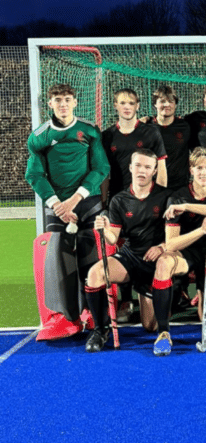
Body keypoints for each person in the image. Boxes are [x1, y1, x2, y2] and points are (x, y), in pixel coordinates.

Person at [25, 84, 110, 340]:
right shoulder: (39, 136)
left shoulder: (89, 131)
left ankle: (95, 314)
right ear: (50, 104)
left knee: (91, 254)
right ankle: (65, 317)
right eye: (58, 100)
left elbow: (101, 168)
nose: (63, 104)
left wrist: (74, 200)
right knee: (58, 258)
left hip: (86, 201)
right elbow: (35, 174)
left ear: (75, 103)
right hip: (57, 205)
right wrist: (57, 205)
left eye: (68, 100)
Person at [84, 149, 173, 354]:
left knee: (150, 326)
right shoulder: (119, 200)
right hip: (130, 256)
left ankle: (157, 304)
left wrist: (161, 247)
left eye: (148, 167)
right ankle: (100, 330)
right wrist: (104, 228)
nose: (142, 171)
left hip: (156, 262)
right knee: (95, 274)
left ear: (154, 170)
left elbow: (175, 235)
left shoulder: (166, 196)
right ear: (131, 167)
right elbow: (113, 238)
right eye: (138, 166)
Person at [101, 88, 168, 322]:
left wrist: (160, 199)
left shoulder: (150, 132)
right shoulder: (107, 136)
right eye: (122, 102)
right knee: (121, 249)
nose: (127, 106)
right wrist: (103, 202)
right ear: (116, 106)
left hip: (148, 202)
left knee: (148, 247)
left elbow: (160, 168)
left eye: (131, 102)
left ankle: (156, 291)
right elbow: (105, 173)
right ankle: (126, 300)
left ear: (138, 106)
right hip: (120, 203)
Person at [163, 147, 206, 324]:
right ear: (191, 170)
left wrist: (187, 207)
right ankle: (177, 289)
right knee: (166, 262)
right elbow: (171, 245)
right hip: (186, 254)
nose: (204, 172)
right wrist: (201, 230)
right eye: (199, 168)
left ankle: (202, 292)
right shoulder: (177, 197)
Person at [148, 85, 191, 191]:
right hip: (153, 187)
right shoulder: (146, 127)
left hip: (180, 187)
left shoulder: (186, 126)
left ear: (175, 104)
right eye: (162, 101)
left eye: (170, 101)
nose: (166, 104)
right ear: (155, 104)